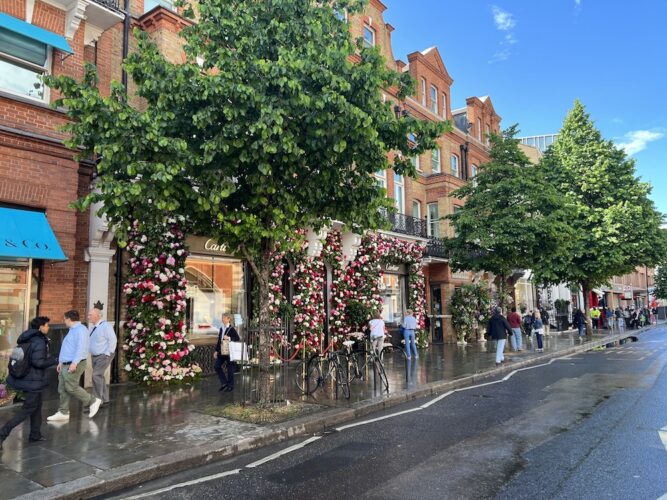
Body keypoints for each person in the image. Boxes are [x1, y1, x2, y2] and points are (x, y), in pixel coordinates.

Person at [0, 317, 58, 450]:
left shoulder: (27, 338)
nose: (48, 328)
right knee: (27, 410)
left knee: (36, 407)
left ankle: (35, 435)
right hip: (33, 381)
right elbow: (39, 362)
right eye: (47, 325)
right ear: (40, 327)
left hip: (27, 379)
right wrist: (54, 359)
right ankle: (2, 433)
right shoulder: (39, 342)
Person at [47, 310, 102, 422]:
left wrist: (74, 363)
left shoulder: (81, 330)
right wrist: (61, 362)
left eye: (65, 318)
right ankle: (63, 412)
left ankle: (92, 401)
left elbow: (81, 348)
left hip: (74, 364)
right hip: (66, 364)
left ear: (69, 319)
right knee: (62, 388)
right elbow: (68, 348)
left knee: (71, 387)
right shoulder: (73, 330)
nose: (64, 321)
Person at [88, 307, 117, 407]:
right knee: (99, 376)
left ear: (97, 315)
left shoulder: (106, 326)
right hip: (95, 356)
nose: (88, 317)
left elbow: (113, 340)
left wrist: (107, 353)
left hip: (103, 356)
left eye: (90, 315)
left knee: (96, 375)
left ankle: (96, 401)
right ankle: (105, 399)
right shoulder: (93, 327)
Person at [214, 314, 240, 392]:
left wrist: (229, 338)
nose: (222, 319)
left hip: (229, 352)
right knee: (217, 366)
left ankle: (230, 386)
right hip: (222, 351)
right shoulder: (221, 328)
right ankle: (224, 383)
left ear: (228, 319)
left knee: (230, 369)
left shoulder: (231, 329)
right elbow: (219, 340)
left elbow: (237, 338)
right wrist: (216, 350)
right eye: (222, 318)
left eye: (224, 318)